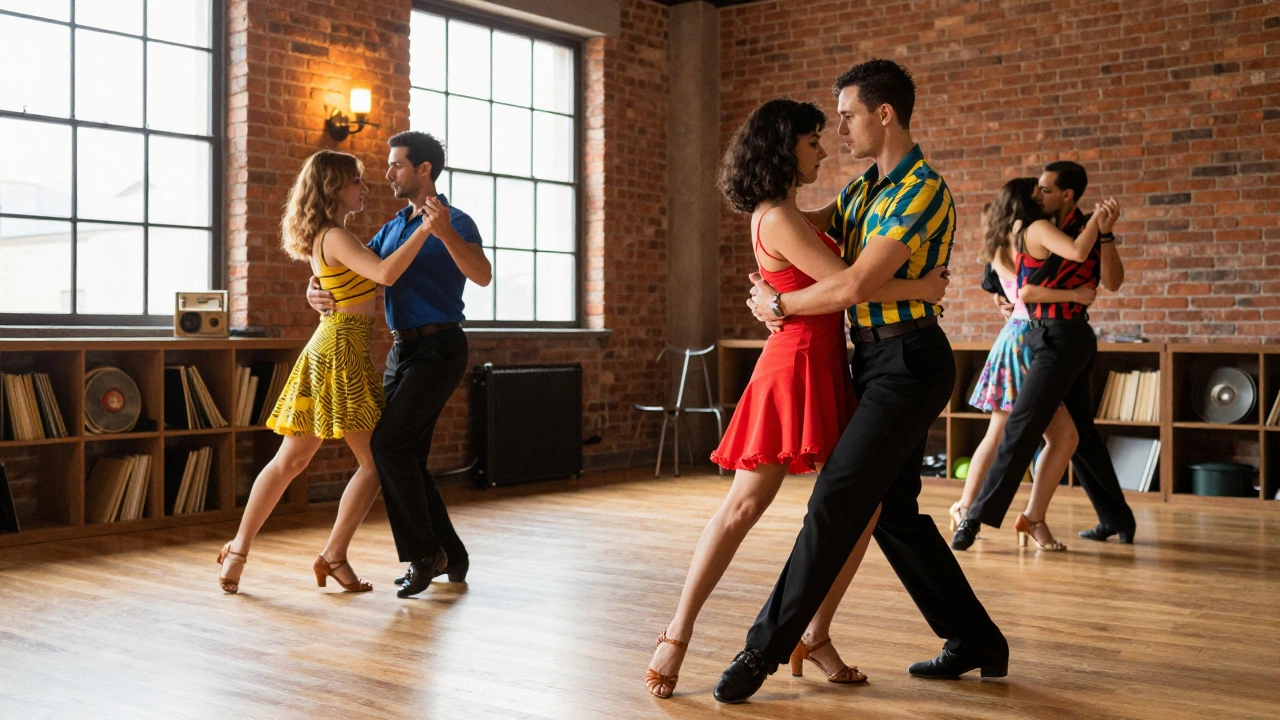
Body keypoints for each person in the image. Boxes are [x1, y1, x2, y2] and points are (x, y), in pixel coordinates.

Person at [713, 60, 1007, 705]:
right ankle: (975, 639)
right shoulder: (864, 190)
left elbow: (849, 285)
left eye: (846, 115)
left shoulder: (921, 191)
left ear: (884, 114)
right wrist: (767, 227)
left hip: (909, 362)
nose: (839, 127)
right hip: (872, 361)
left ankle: (761, 652)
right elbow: (802, 223)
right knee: (893, 514)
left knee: (837, 501)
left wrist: (781, 306)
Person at [645, 99, 949, 699]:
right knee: (743, 507)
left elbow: (840, 218)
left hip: (827, 364)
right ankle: (675, 635)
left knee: (863, 508)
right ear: (786, 148)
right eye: (814, 141)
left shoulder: (790, 212)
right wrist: (923, 286)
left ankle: (816, 631)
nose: (824, 149)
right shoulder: (777, 218)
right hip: (795, 368)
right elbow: (846, 285)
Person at [217, 149, 436, 594]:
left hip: (332, 346)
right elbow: (385, 274)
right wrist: (427, 230)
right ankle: (333, 556)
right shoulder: (334, 235)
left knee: (291, 460)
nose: (364, 188)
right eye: (357, 181)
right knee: (374, 464)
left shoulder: (332, 235)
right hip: (341, 351)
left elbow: (355, 276)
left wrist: (314, 289)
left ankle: (238, 553)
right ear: (335, 186)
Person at [307, 131, 492, 599]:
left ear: (424, 169)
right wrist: (311, 290)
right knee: (406, 455)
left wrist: (444, 230)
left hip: (441, 348)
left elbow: (483, 275)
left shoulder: (458, 220)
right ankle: (451, 550)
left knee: (388, 447)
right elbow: (349, 269)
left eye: (396, 166)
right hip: (400, 351)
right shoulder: (391, 229)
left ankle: (422, 554)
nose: (387, 174)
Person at [952, 162, 1136, 551]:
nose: (1038, 195)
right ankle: (975, 514)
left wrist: (1106, 233)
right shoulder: (1034, 230)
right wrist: (1006, 300)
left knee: (1076, 434)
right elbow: (1022, 287)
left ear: (1067, 196)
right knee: (1022, 426)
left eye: (1045, 189)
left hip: (1075, 337)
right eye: (1036, 190)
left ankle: (1113, 517)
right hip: (1042, 337)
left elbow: (1114, 281)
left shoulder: (1081, 227)